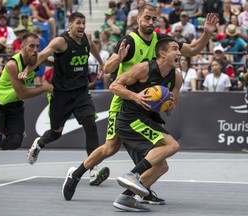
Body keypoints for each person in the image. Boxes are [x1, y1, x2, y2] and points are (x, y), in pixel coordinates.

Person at [61, 4, 218, 202]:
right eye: (147, 18)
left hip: (146, 103)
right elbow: (108, 69)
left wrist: (207, 33)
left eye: (154, 19)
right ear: (138, 19)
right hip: (124, 98)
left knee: (152, 152)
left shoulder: (162, 42)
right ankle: (76, 174)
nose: (151, 22)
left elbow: (193, 50)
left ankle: (140, 186)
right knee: (111, 147)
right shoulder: (130, 41)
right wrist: (119, 58)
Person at [22, 12, 108, 186]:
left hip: (81, 92)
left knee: (90, 125)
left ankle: (93, 168)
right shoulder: (61, 41)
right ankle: (38, 144)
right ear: (70, 25)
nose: (82, 26)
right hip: (61, 94)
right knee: (55, 133)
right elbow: (43, 55)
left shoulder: (86, 38)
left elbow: (91, 46)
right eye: (78, 23)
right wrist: (28, 69)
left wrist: (100, 62)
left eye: (83, 23)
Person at [0, 32, 54, 183]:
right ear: (22, 47)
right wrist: (43, 88)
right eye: (31, 46)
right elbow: (22, 93)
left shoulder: (35, 58)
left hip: (15, 106)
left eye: (37, 46)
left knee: (15, 142)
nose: (35, 50)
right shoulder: (12, 65)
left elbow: (51, 61)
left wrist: (63, 60)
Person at [110, 37, 182, 212]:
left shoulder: (177, 77)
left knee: (162, 166)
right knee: (172, 145)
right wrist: (135, 96)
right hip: (130, 119)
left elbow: (170, 112)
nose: (179, 52)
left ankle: (125, 198)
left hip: (145, 120)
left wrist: (169, 105)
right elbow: (114, 85)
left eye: (179, 49)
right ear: (162, 54)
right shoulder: (144, 68)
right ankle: (132, 174)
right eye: (174, 49)